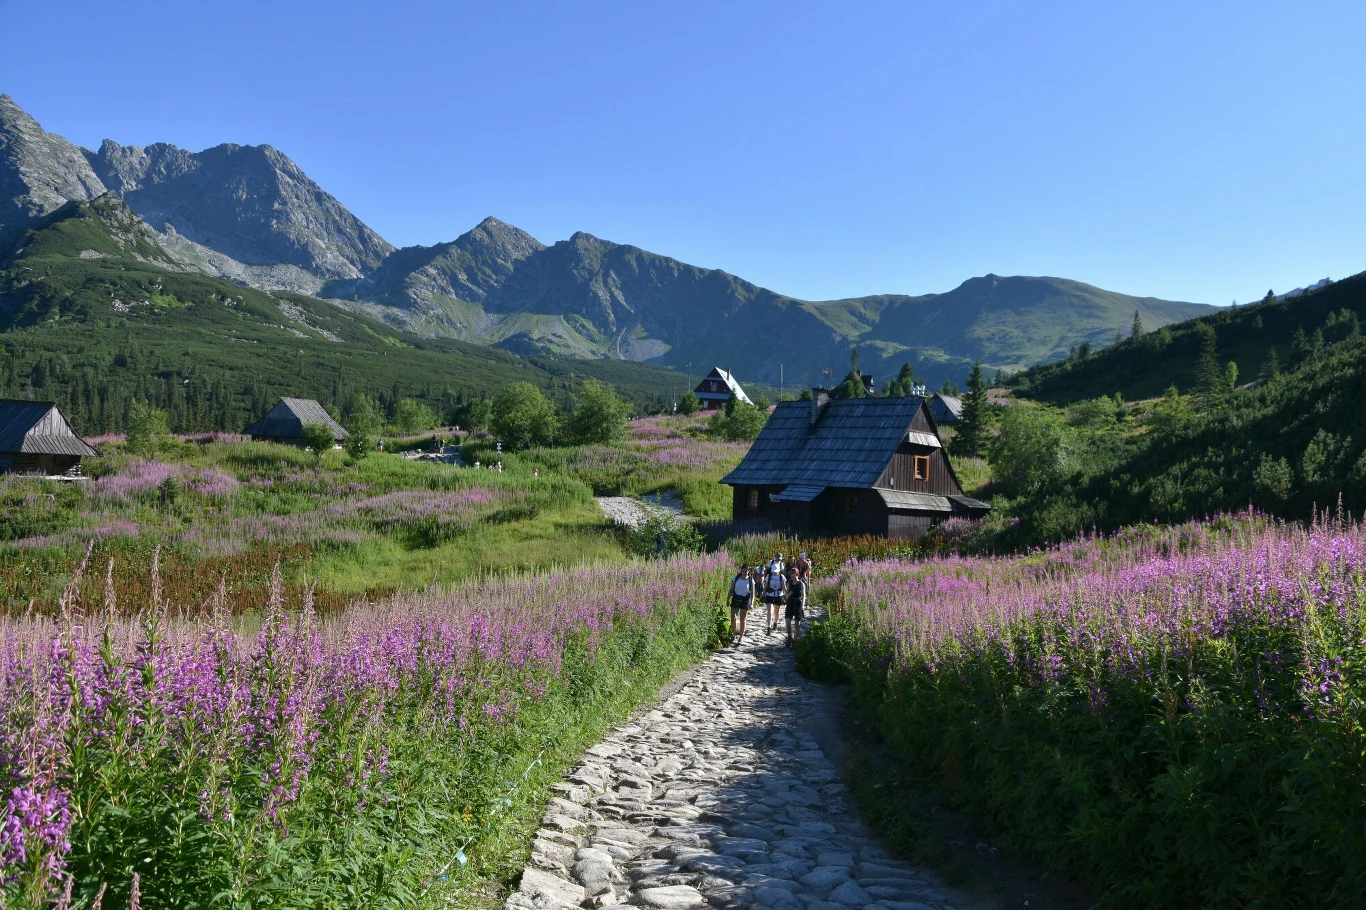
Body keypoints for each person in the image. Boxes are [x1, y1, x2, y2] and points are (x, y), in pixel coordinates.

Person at [729, 564, 754, 645]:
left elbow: (752, 593)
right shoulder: (735, 578)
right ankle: (734, 634)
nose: (745, 572)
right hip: (736, 598)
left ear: (748, 571)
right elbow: (731, 589)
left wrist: (752, 603)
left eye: (746, 571)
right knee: (733, 617)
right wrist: (728, 599)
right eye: (743, 571)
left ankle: (741, 637)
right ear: (741, 570)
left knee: (743, 619)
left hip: (745, 600)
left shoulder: (751, 580)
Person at [763, 561, 787, 634]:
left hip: (778, 595)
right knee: (770, 610)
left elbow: (784, 587)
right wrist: (763, 595)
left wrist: (787, 595)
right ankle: (769, 627)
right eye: (774, 571)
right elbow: (765, 587)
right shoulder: (769, 576)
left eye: (776, 571)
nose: (775, 573)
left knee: (777, 611)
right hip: (769, 594)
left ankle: (775, 622)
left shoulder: (782, 577)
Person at [784, 566, 806, 647]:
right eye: (791, 574)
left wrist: (802, 605)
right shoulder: (789, 583)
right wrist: (788, 594)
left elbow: (803, 595)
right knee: (788, 622)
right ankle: (789, 636)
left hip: (798, 603)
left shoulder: (801, 584)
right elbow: (786, 595)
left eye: (793, 574)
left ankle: (795, 640)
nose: (791, 576)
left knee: (797, 624)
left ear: (797, 574)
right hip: (790, 603)